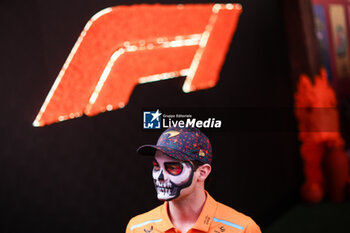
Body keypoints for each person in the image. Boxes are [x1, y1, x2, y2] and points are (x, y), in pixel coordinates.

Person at [126, 127, 261, 233]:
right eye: (156, 166)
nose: (160, 177)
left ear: (202, 172)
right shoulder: (136, 228)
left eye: (173, 167)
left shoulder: (242, 229)